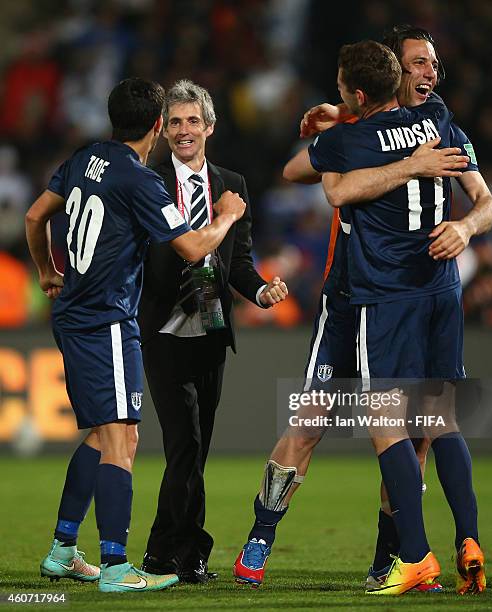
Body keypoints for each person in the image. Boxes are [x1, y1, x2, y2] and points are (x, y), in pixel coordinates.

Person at [234, 40, 492, 595]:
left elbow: (482, 200)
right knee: (311, 423)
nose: (429, 73)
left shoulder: (434, 120)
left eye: (432, 64)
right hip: (348, 298)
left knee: (411, 430)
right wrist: (348, 124)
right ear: (392, 74)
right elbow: (300, 169)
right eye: (417, 63)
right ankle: (260, 536)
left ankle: (396, 555)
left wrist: (467, 226)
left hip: (394, 294)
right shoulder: (362, 130)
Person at [26, 77, 246, 593]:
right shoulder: (140, 180)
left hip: (72, 315)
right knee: (122, 440)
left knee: (103, 436)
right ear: (155, 126)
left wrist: (46, 271)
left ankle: (62, 549)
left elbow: (37, 216)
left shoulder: (86, 158)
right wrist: (230, 215)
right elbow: (194, 248)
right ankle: (117, 565)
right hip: (105, 321)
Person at [138, 79, 288, 583]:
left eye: (192, 121)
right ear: (163, 131)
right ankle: (192, 552)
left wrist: (261, 291)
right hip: (162, 326)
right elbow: (165, 254)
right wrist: (221, 220)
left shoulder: (233, 183)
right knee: (185, 442)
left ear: (210, 127)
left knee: (193, 451)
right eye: (175, 122)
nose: (184, 131)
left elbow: (238, 260)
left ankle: (160, 552)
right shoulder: (151, 182)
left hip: (211, 325)